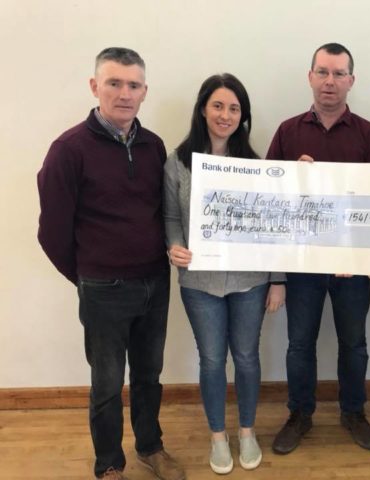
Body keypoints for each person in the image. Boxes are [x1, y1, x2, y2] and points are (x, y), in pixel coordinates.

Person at [37, 48, 184, 480]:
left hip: (155, 283)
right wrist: (87, 277)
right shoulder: (69, 149)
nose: (124, 93)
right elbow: (52, 232)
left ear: (144, 92)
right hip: (103, 288)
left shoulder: (154, 146)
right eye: (114, 83)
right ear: (94, 86)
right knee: (105, 384)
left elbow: (165, 212)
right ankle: (108, 464)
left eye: (133, 85)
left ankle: (150, 448)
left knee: (149, 376)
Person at [267, 42, 370, 454]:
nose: (330, 81)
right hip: (302, 265)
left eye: (338, 74)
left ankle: (353, 411)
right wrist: (291, 180)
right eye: (322, 72)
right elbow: (270, 203)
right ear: (310, 77)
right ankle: (300, 413)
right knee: (299, 343)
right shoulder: (287, 131)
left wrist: (368, 258)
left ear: (351, 80)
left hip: (351, 265)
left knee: (354, 343)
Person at [164, 73, 286, 474]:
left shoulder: (257, 167)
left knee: (247, 358)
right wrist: (174, 246)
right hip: (199, 283)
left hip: (250, 280)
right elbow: (170, 217)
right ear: (203, 109)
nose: (225, 114)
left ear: (243, 116)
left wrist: (278, 280)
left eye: (234, 108)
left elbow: (274, 226)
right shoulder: (177, 163)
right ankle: (219, 436)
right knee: (212, 360)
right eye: (218, 105)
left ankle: (247, 430)